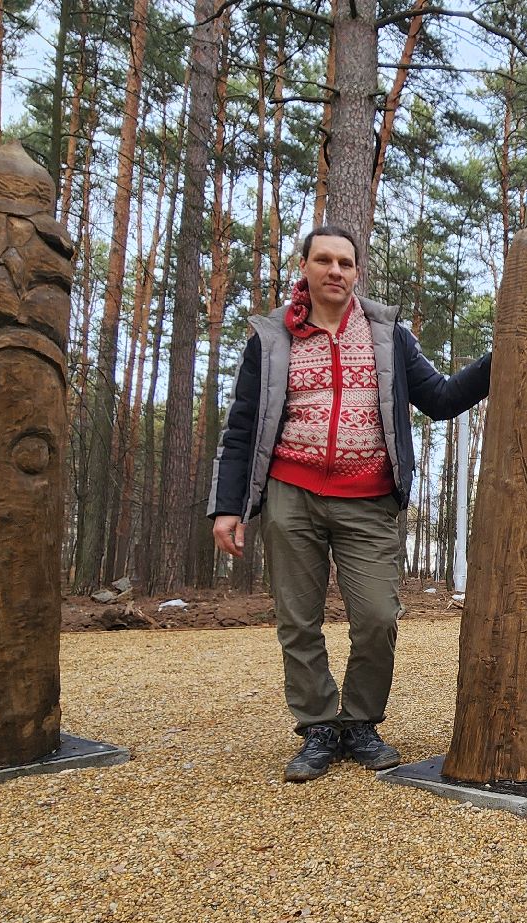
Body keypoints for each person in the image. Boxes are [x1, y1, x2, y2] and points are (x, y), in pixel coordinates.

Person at [208, 224, 491, 782]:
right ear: (306, 268)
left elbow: (439, 399)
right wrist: (227, 506)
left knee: (378, 617)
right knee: (298, 620)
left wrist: (497, 360)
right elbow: (242, 426)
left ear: (357, 271)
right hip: (292, 493)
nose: (335, 271)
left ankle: (360, 721)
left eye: (345, 262)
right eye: (324, 261)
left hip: (369, 500)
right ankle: (317, 727)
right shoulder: (271, 339)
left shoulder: (387, 335)